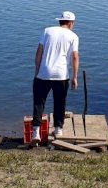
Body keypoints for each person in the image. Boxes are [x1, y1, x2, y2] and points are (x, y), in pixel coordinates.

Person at [31, 11, 79, 143]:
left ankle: (36, 132)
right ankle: (58, 129)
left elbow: (39, 52)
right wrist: (75, 77)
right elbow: (75, 57)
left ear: (60, 21)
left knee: (39, 102)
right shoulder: (73, 36)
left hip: (44, 73)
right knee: (60, 102)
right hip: (61, 75)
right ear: (70, 23)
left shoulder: (47, 31)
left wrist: (37, 71)